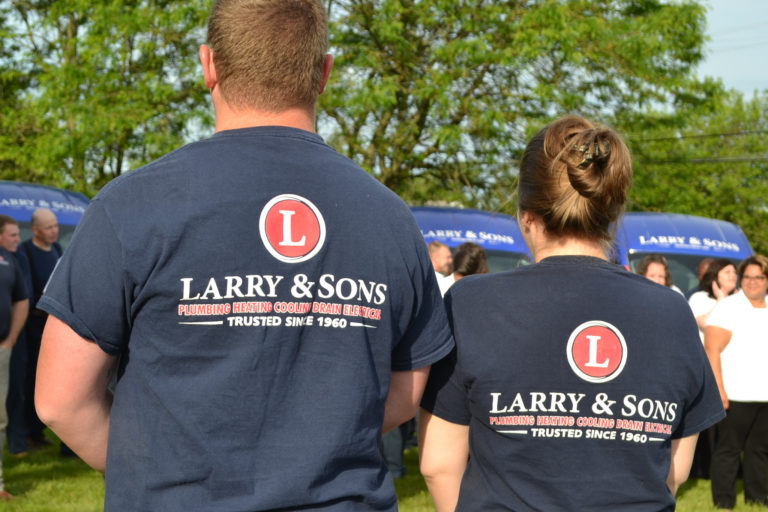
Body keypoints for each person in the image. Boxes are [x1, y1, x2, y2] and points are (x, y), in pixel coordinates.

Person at [34, 1, 453, 510]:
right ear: (324, 73)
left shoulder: (133, 206)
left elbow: (60, 400)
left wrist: (153, 469)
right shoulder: (391, 219)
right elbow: (406, 393)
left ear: (208, 65)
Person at [419, 114, 725, 511]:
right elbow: (675, 470)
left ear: (526, 216)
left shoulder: (469, 303)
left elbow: (438, 465)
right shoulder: (671, 310)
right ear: (612, 217)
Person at [705, 255, 768, 510]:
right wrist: (718, 388)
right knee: (729, 451)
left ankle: (758, 498)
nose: (753, 283)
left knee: (760, 451)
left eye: (759, 277)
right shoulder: (728, 307)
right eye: (748, 277)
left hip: (764, 396)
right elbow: (711, 350)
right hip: (735, 394)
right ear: (742, 280)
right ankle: (724, 502)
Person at [16, 207, 61, 450]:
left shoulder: (57, 249)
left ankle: (39, 429)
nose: (54, 231)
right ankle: (27, 430)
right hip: (33, 322)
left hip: (53, 321)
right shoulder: (25, 252)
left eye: (55, 226)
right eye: (49, 227)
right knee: (31, 376)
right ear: (35, 230)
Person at [0, 223, 29, 499]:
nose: (18, 240)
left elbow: (21, 298)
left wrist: (10, 339)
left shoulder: (8, 259)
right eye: (13, 234)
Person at [688, 258, 738, 342]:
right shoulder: (699, 297)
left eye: (734, 272)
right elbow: (704, 324)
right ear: (715, 276)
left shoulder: (739, 299)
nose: (732, 275)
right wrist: (721, 301)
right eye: (727, 272)